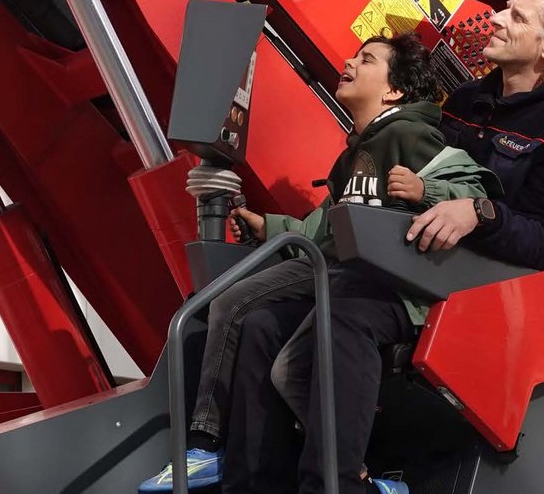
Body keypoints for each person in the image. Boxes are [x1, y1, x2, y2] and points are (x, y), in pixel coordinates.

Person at [264, 0, 544, 494]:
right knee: (269, 325)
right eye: (506, 7)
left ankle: (338, 484)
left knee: (345, 314)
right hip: (415, 268)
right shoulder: (468, 100)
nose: (497, 19)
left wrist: (479, 213)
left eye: (517, 16)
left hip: (481, 297)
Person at [139, 32, 495, 493]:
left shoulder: (412, 136)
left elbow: (471, 188)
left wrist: (428, 191)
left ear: (393, 90)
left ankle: (206, 443)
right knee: (270, 342)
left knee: (231, 302)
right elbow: (323, 230)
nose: (349, 62)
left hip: (372, 282)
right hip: (338, 270)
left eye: (367, 60)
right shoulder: (354, 156)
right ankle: (276, 476)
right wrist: (269, 227)